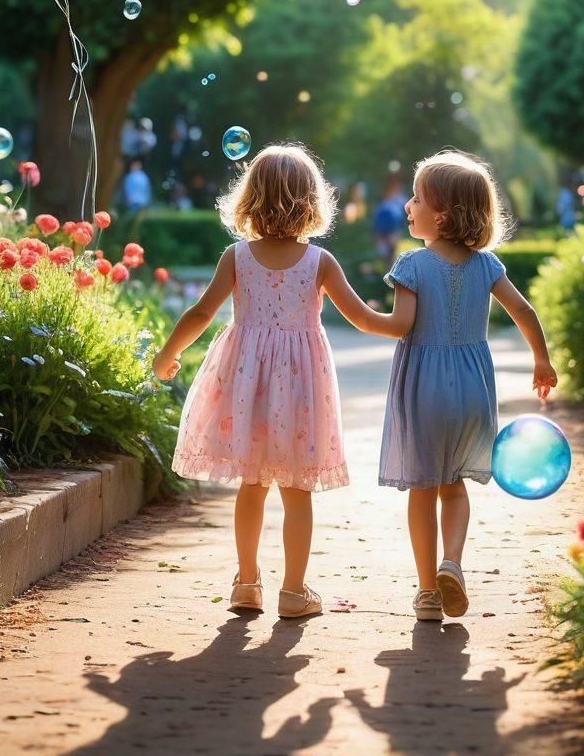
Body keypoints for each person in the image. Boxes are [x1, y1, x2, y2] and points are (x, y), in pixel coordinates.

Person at [151, 144, 403, 618]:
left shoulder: (237, 257)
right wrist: (404, 324)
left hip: (247, 384)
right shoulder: (319, 262)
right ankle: (292, 591)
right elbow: (364, 319)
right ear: (312, 201)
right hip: (301, 387)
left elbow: (201, 313)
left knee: (252, 484)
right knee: (297, 489)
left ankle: (247, 583)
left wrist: (169, 353)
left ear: (249, 199)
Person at [377, 150, 558, 622]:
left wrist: (355, 313)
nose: (408, 206)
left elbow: (400, 325)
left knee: (422, 488)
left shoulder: (412, 265)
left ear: (441, 215)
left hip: (425, 389)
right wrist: (541, 359)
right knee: (454, 486)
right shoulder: (487, 266)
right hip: (474, 389)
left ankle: (426, 593)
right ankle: (452, 564)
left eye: (417, 198)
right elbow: (524, 311)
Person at [372, 178, 407, 259]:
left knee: (393, 254)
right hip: (384, 233)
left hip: (392, 232)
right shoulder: (384, 204)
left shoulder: (398, 201)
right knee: (384, 255)